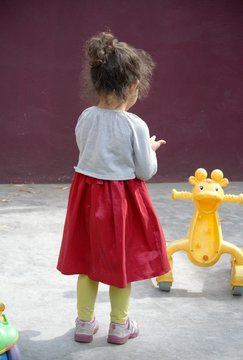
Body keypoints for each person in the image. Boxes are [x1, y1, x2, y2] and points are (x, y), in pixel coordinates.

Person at [57, 31, 170, 345]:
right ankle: (119, 326)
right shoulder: (135, 125)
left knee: (88, 265)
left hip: (87, 199)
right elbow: (144, 171)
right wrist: (149, 148)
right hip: (121, 203)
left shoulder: (85, 117)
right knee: (120, 266)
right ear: (133, 87)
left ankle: (83, 323)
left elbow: (88, 152)